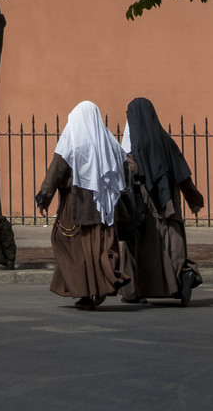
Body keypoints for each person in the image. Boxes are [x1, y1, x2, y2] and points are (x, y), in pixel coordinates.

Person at [35, 100, 126, 309]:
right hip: (103, 207)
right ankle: (101, 285)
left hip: (76, 205)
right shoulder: (109, 141)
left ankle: (85, 291)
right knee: (98, 246)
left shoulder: (71, 141)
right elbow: (123, 169)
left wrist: (44, 197)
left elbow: (56, 171)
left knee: (71, 244)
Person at [119, 96, 204, 307]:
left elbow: (126, 175)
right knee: (171, 245)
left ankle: (137, 290)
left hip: (145, 204)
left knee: (145, 247)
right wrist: (194, 199)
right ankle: (182, 277)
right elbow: (183, 175)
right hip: (169, 202)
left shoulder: (133, 146)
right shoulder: (166, 140)